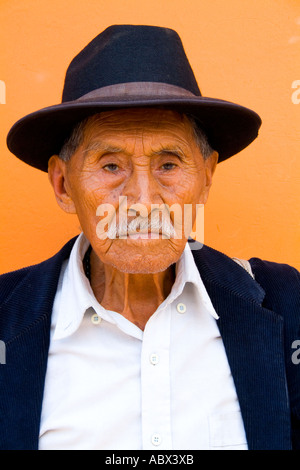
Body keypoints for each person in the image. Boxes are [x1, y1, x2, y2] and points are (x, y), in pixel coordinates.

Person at [1, 25, 300, 451]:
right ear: (64, 185)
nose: (141, 201)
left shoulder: (285, 304)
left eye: (168, 164)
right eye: (110, 166)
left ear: (207, 176)